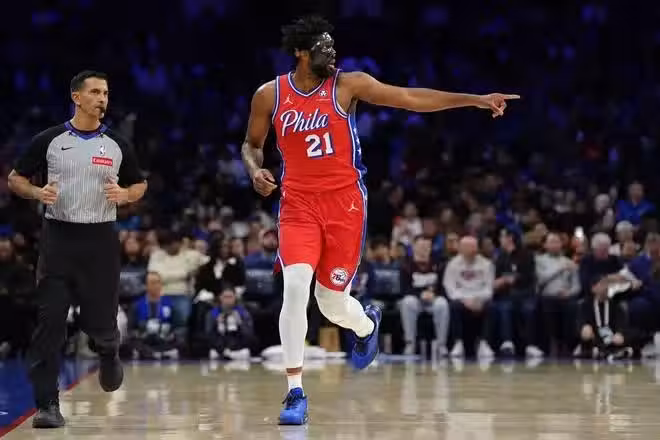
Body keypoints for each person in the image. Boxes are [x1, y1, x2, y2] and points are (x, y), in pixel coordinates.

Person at [241, 15, 519, 425]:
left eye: (333, 45)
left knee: (331, 303)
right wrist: (254, 170)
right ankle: (295, 393)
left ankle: (366, 327)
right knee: (296, 289)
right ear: (300, 52)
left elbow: (409, 97)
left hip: (345, 205)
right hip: (298, 205)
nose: (333, 52)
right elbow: (251, 144)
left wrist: (475, 100)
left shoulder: (348, 84)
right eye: (323, 47)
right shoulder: (270, 94)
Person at [7, 70, 147, 428]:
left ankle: (108, 348)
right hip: (58, 239)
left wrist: (125, 195)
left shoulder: (117, 144)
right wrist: (36, 192)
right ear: (77, 97)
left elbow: (139, 184)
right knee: (49, 324)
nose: (102, 99)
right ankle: (47, 405)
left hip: (100, 242)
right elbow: (15, 178)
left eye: (106, 93)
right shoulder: (49, 140)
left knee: (99, 323)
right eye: (95, 92)